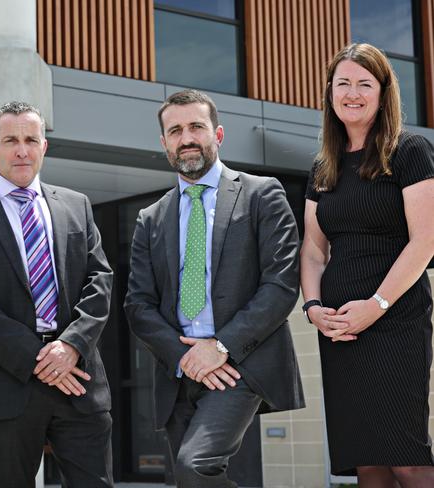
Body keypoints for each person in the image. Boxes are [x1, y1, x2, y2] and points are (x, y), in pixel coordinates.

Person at [124, 89, 304, 487]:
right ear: (164, 142)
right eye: (175, 130)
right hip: (179, 370)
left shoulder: (261, 194)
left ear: (217, 135)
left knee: (195, 464)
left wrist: (219, 347)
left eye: (196, 127)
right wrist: (184, 356)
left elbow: (280, 283)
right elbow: (138, 304)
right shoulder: (151, 218)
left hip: (239, 364)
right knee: (188, 479)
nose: (186, 137)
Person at [0, 101, 114, 488]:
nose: (22, 149)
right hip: (6, 380)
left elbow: (100, 280)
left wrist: (69, 347)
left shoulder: (77, 205)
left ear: (44, 146)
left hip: (77, 377)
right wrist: (41, 358)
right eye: (11, 139)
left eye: (31, 139)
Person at [300, 43, 434, 487]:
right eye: (343, 84)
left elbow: (425, 241)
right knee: (365, 461)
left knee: (406, 458)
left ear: (382, 92)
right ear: (330, 94)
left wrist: (375, 305)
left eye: (364, 83)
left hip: (395, 320)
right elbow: (314, 250)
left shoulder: (410, 151)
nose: (352, 93)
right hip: (339, 329)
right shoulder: (323, 167)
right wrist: (313, 307)